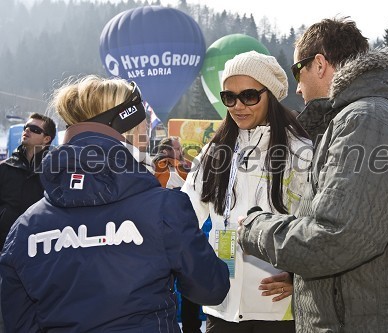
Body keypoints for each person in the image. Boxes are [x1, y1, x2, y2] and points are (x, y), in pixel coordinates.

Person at [237, 18, 388, 332]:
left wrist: (255, 227)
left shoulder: (368, 119)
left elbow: (338, 237)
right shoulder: (362, 116)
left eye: (296, 71)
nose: (298, 87)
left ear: (319, 64)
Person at [0, 75, 230, 332]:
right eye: (145, 125)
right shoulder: (164, 208)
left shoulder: (25, 226)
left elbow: (18, 321)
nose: (149, 133)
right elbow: (211, 289)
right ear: (129, 129)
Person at [181, 51, 313, 332]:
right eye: (229, 97)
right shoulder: (214, 152)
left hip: (278, 311)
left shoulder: (301, 152)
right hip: (222, 305)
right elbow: (184, 213)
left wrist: (300, 276)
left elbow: (317, 227)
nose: (238, 105)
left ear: (271, 96)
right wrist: (197, 267)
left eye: (249, 95)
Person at [153, 136, 202, 333]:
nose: (180, 152)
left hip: (182, 235)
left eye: (179, 149)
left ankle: (191, 327)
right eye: (177, 149)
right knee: (165, 284)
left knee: (189, 282)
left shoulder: (185, 169)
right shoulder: (157, 168)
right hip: (162, 236)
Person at [0, 113, 56, 250]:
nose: (27, 130)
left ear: (46, 139)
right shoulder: (5, 167)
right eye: (26, 127)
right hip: (3, 242)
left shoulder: (55, 171)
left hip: (38, 244)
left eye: (34, 129)